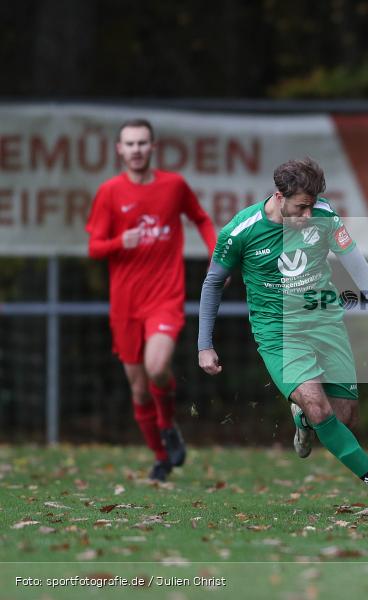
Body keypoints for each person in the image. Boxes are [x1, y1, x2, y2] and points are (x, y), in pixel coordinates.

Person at [198, 158, 368, 516]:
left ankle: (302, 419)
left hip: (325, 323)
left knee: (345, 417)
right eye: (300, 206)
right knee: (320, 408)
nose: (307, 214)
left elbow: (361, 272)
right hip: (278, 332)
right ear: (278, 196)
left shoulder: (325, 217)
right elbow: (213, 283)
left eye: (311, 205)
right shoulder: (240, 230)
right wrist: (204, 344)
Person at [86, 118, 216, 482]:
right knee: (140, 389)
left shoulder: (173, 186)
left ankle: (168, 424)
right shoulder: (109, 192)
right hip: (125, 305)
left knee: (158, 367)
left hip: (164, 297)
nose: (136, 150)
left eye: (142, 143)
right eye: (130, 144)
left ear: (153, 147)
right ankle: (161, 456)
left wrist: (215, 255)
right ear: (120, 150)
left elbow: (201, 218)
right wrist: (118, 243)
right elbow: (94, 247)